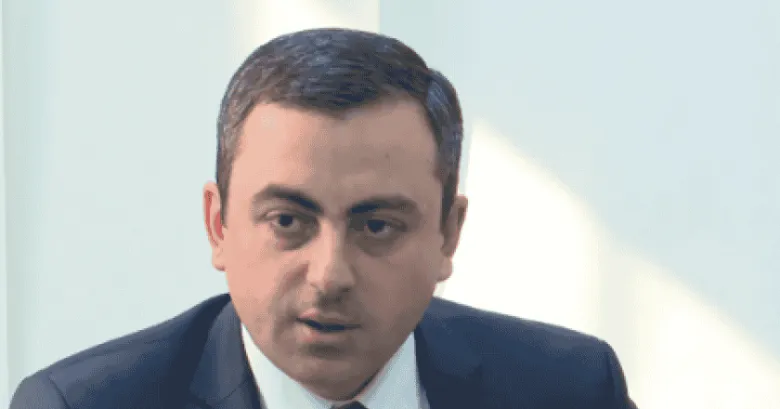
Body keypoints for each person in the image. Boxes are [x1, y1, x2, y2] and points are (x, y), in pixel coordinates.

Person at [10, 28, 637, 409]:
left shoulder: (570, 391)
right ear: (218, 225)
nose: (330, 275)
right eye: (288, 221)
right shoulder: (82, 408)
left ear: (449, 235)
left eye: (376, 226)